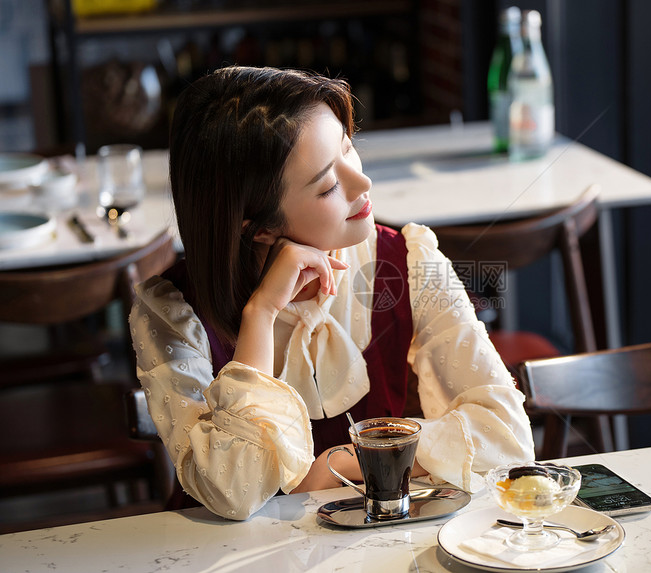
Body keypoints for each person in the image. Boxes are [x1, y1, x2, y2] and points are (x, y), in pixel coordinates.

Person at [130, 66, 534, 520]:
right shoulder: (170, 312)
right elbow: (233, 491)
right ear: (259, 228)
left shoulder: (408, 260)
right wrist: (260, 315)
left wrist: (333, 465)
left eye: (348, 149)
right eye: (327, 185)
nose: (362, 185)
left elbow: (507, 438)